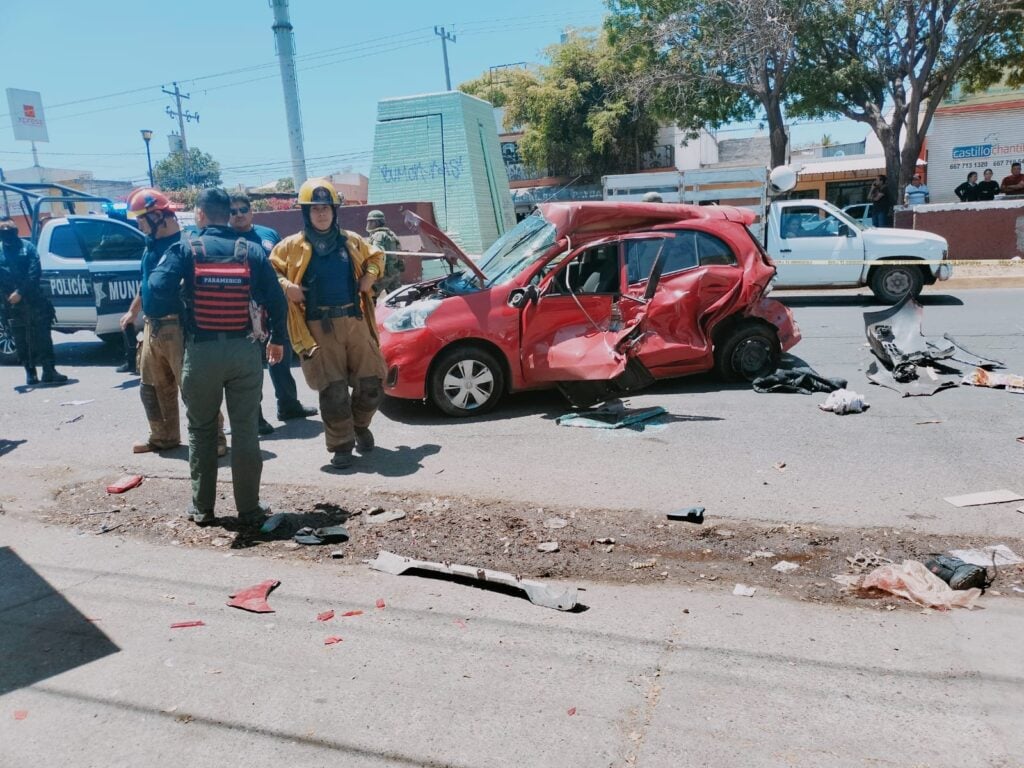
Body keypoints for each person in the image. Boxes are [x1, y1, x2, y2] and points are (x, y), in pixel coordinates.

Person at [147, 188, 288, 526]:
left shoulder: (186, 249)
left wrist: (180, 303)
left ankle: (202, 508)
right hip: (244, 352)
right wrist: (278, 340)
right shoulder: (251, 250)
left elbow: (154, 292)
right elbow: (277, 300)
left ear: (200, 215)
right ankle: (249, 509)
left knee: (201, 431)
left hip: (201, 352)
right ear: (227, 214)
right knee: (245, 432)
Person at [270, 178, 387, 470]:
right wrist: (286, 286)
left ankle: (360, 425)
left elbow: (376, 256)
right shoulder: (290, 247)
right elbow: (269, 271)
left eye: (326, 208)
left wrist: (370, 275)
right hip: (317, 327)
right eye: (315, 208)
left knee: (372, 384)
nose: (321, 213)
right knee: (333, 392)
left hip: (354, 320)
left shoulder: (352, 240)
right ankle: (342, 445)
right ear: (306, 213)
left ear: (335, 211)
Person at [120, 189, 228, 456]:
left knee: (194, 388)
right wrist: (133, 313)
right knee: (152, 388)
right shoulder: (150, 247)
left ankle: (214, 440)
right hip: (152, 327)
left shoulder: (184, 246)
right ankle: (163, 437)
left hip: (179, 328)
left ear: (158, 215)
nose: (139, 225)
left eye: (142, 219)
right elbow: (145, 285)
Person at [229, 192, 317, 434]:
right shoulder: (226, 238)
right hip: (245, 312)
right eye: (232, 211)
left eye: (242, 210)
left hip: (276, 307)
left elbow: (285, 264)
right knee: (251, 367)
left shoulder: (268, 234)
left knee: (281, 358)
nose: (238, 215)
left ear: (251, 212)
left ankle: (288, 406)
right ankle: (255, 418)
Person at [0, 217, 68, 386]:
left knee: (43, 337)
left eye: (10, 230)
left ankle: (49, 371)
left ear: (16, 231)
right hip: (11, 304)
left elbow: (34, 272)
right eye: (3, 231)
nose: (8, 234)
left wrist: (20, 292)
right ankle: (30, 373)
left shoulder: (27, 247)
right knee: (21, 339)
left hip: (34, 300)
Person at [365, 209, 403, 295]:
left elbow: (376, 253)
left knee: (369, 296)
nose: (368, 224)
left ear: (377, 223)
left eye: (371, 222)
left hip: (384, 274)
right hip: (394, 271)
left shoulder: (378, 235)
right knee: (396, 297)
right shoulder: (390, 233)